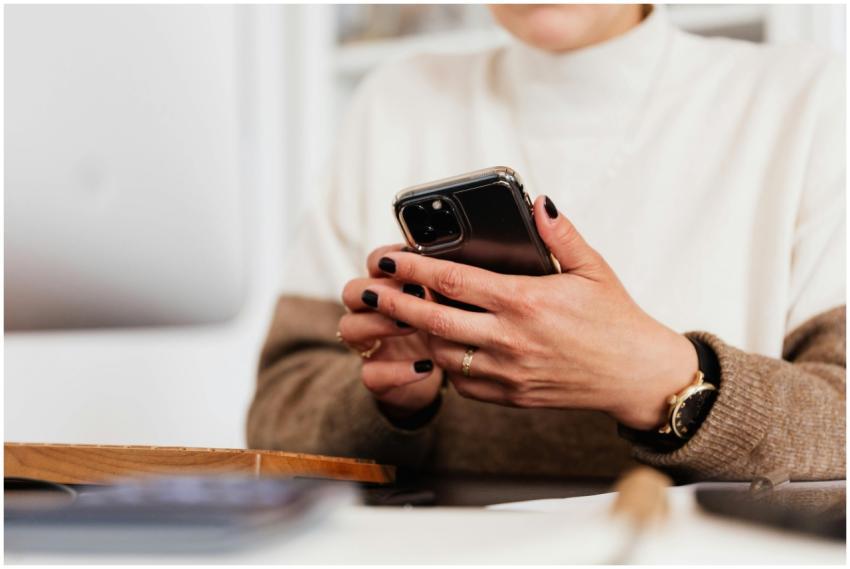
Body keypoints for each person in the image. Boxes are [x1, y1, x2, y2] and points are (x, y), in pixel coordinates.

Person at [247, 4, 845, 481]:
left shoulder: (804, 96)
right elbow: (276, 415)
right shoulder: (396, 100)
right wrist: (390, 403)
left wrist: (658, 379)